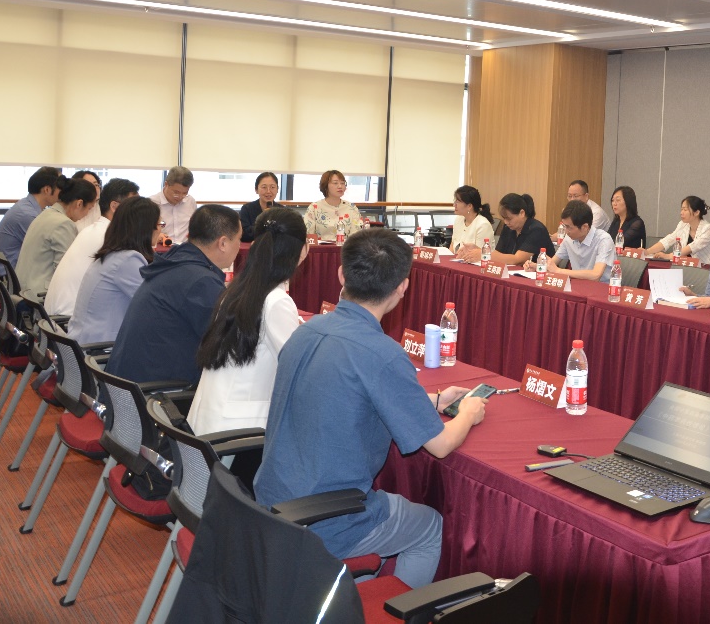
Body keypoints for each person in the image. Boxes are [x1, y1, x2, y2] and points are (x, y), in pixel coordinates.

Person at [253, 229, 487, 588]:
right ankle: (388, 610)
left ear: (341, 275)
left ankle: (347, 596)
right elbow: (440, 445)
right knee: (430, 528)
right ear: (402, 288)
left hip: (270, 500)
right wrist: (469, 412)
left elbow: (347, 393)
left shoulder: (307, 330)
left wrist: (433, 401)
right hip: (328, 517)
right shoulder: (382, 352)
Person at [188, 207, 308, 434]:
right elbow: (300, 369)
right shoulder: (276, 301)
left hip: (205, 425)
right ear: (303, 250)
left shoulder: (235, 290)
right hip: (239, 434)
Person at [106, 205, 242, 385]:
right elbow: (229, 344)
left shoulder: (176, 263)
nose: (239, 246)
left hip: (129, 386)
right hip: (157, 393)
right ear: (223, 243)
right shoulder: (200, 281)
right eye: (239, 239)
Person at [67, 197, 162, 346]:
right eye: (159, 224)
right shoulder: (128, 260)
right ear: (147, 228)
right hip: (99, 349)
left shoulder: (113, 254)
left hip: (86, 343)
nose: (161, 229)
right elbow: (154, 305)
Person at [44, 178, 140, 317]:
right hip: (69, 316)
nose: (138, 213)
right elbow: (137, 290)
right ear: (114, 206)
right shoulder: (109, 237)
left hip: (58, 314)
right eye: (134, 207)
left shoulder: (95, 230)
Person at [15, 177, 97, 301]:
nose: (87, 214)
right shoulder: (63, 224)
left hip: (25, 289)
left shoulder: (46, 214)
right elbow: (64, 271)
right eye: (89, 209)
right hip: (38, 295)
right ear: (79, 203)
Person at [0, 166, 63, 267]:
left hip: (10, 269)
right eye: (60, 188)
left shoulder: (26, 206)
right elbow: (47, 250)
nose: (62, 193)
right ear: (47, 189)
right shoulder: (27, 215)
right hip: (11, 273)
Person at [533, 199, 616, 281]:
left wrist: (559, 271)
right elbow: (553, 263)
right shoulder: (568, 238)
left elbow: (595, 275)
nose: (566, 231)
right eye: (564, 226)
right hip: (577, 285)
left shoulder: (604, 240)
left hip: (601, 287)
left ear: (584, 227)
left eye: (569, 227)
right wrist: (536, 267)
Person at [487, 193, 553, 267]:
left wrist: (485, 255)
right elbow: (498, 253)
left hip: (539, 272)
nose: (506, 222)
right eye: (504, 218)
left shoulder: (537, 230)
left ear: (522, 213)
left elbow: (517, 260)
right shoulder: (508, 228)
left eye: (509, 219)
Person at [647, 196, 710, 263]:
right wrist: (647, 251)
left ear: (696, 212)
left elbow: (693, 247)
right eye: (681, 209)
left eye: (685, 210)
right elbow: (669, 240)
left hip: (706, 267)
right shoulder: (683, 224)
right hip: (687, 266)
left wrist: (668, 256)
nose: (681, 213)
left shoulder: (709, 229)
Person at [304, 169, 363, 240]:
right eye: (335, 183)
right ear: (325, 186)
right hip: (319, 246)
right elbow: (308, 234)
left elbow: (356, 235)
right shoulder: (314, 207)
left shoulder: (351, 207)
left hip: (346, 246)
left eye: (342, 183)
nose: (340, 186)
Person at [151, 166, 198, 243]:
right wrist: (155, 236)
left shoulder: (190, 201)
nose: (180, 197)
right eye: (176, 192)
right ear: (166, 184)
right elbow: (142, 233)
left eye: (185, 193)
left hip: (185, 248)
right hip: (161, 248)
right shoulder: (152, 203)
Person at [450, 185, 495, 258]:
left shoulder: (483, 225)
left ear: (469, 206)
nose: (454, 205)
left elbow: (481, 255)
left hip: (476, 263)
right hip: (459, 260)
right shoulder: (458, 219)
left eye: (457, 202)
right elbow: (452, 246)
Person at [239, 172, 280, 242]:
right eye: (264, 187)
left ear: (277, 189)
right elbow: (244, 233)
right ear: (256, 190)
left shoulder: (282, 210)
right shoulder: (247, 209)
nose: (268, 191)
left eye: (272, 187)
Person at [606, 186, 646, 250]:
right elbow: (607, 239)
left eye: (618, 200)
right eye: (612, 200)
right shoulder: (616, 221)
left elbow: (620, 243)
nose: (614, 204)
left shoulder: (637, 223)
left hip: (630, 256)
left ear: (628, 201)